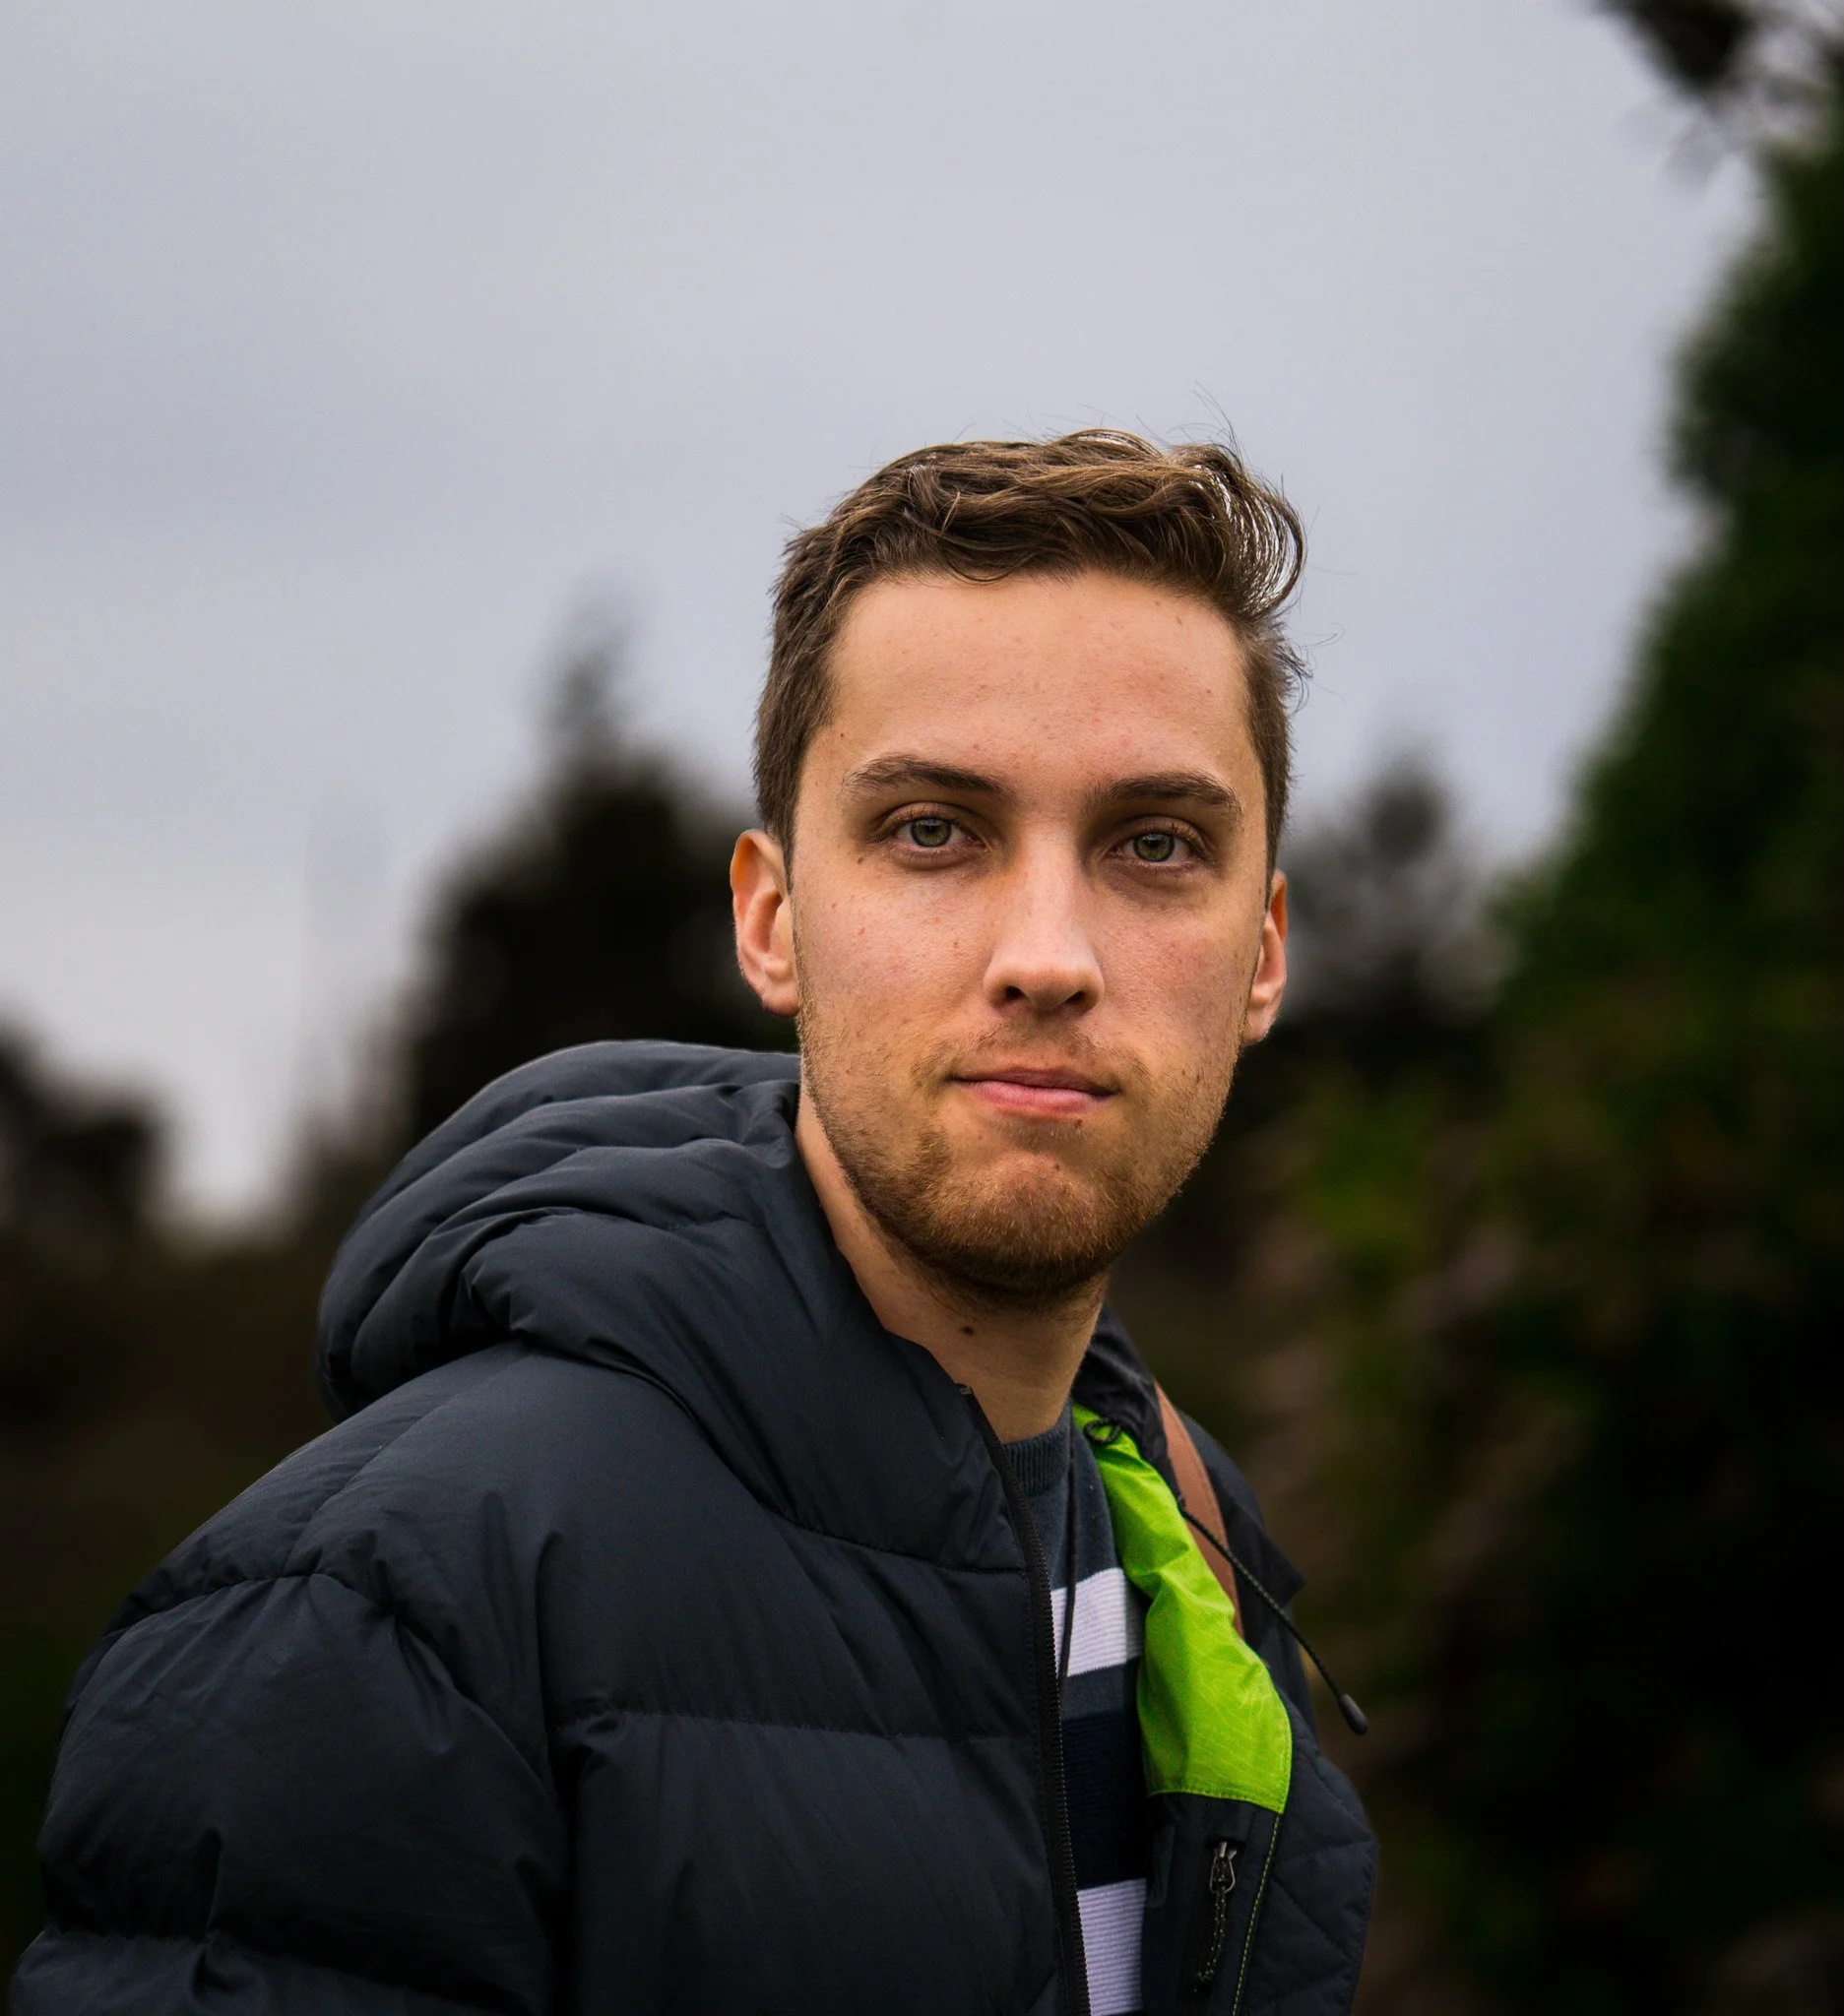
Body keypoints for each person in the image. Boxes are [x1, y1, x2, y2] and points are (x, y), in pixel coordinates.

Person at [13, 430, 1377, 2015]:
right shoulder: (386, 1610)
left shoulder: (1192, 1558)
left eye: (1156, 845)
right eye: (934, 830)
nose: (1050, 954)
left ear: (1264, 948)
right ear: (771, 919)